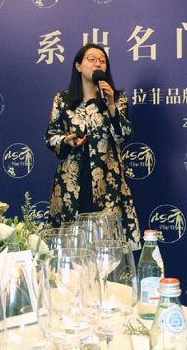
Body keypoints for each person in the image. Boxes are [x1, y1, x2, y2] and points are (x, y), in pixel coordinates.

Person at [45, 43, 141, 247]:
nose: (98, 64)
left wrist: (111, 105)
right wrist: (66, 140)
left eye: (102, 61)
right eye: (92, 59)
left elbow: (123, 135)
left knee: (107, 247)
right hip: (72, 184)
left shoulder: (117, 99)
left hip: (107, 181)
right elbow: (50, 136)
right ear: (78, 66)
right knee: (72, 248)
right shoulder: (62, 100)